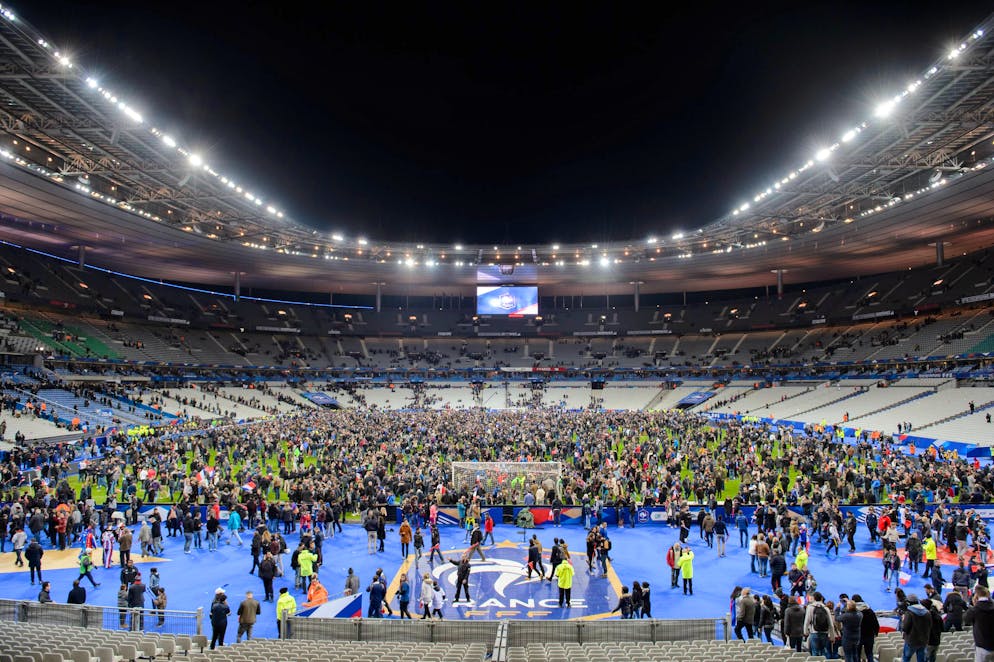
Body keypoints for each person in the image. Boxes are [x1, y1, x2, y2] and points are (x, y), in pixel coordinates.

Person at [965, 585, 994, 662]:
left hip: (982, 644)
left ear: (976, 595)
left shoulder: (975, 609)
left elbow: (966, 620)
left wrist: (974, 605)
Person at [804, 591, 834, 658]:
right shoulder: (826, 608)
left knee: (815, 653)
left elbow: (807, 621)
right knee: (823, 652)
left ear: (814, 598)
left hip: (814, 632)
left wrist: (805, 632)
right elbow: (831, 624)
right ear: (821, 599)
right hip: (825, 633)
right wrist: (832, 636)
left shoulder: (810, 607)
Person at [851, 594, 879, 662]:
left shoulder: (853, 612)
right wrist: (876, 633)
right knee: (869, 654)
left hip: (857, 636)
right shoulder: (869, 611)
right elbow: (876, 624)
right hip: (869, 635)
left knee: (857, 654)